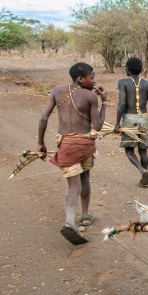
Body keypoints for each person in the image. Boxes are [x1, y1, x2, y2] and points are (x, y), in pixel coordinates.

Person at [37, 62, 107, 245]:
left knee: (73, 186)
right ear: (80, 79)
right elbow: (98, 126)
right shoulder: (90, 96)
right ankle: (84, 216)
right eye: (92, 78)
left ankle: (70, 221)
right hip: (85, 144)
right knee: (85, 179)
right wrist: (104, 102)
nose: (95, 81)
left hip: (66, 145)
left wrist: (40, 143)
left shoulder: (57, 91)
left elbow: (43, 117)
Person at [114, 57, 148, 187]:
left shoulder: (123, 82)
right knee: (143, 151)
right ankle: (144, 180)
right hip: (144, 118)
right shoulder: (147, 83)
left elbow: (122, 104)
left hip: (130, 119)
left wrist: (117, 123)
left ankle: (142, 170)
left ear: (127, 69)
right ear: (140, 69)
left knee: (129, 151)